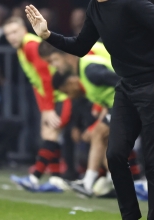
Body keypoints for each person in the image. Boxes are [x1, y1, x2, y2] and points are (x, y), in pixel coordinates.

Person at [24, 0, 154, 220]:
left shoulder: (132, 2)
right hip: (126, 87)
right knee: (115, 153)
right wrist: (47, 35)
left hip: (152, 86)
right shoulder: (95, 7)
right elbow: (81, 46)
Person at [39, 42, 144, 197]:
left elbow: (123, 81)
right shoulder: (84, 72)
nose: (54, 66)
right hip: (124, 105)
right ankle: (122, 182)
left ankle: (92, 182)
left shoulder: (90, 70)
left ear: (68, 57)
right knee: (103, 139)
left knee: (99, 134)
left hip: (133, 103)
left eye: (55, 60)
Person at [3, 16, 71, 192]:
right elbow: (37, 83)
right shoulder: (22, 49)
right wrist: (44, 109)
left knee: (50, 134)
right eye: (8, 34)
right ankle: (56, 180)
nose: (11, 37)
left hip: (63, 96)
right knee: (49, 135)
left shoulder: (31, 46)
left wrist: (47, 109)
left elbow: (46, 78)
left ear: (23, 30)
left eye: (14, 32)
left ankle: (34, 178)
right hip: (54, 98)